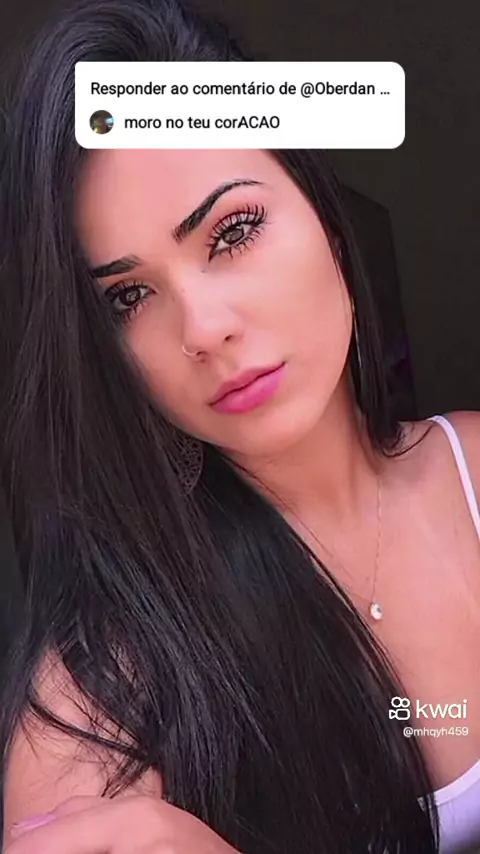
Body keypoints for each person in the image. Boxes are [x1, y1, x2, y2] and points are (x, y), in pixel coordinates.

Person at [0, 0, 479, 852]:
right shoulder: (100, 689)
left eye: (233, 231)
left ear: (325, 217)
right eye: (128, 297)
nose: (203, 328)